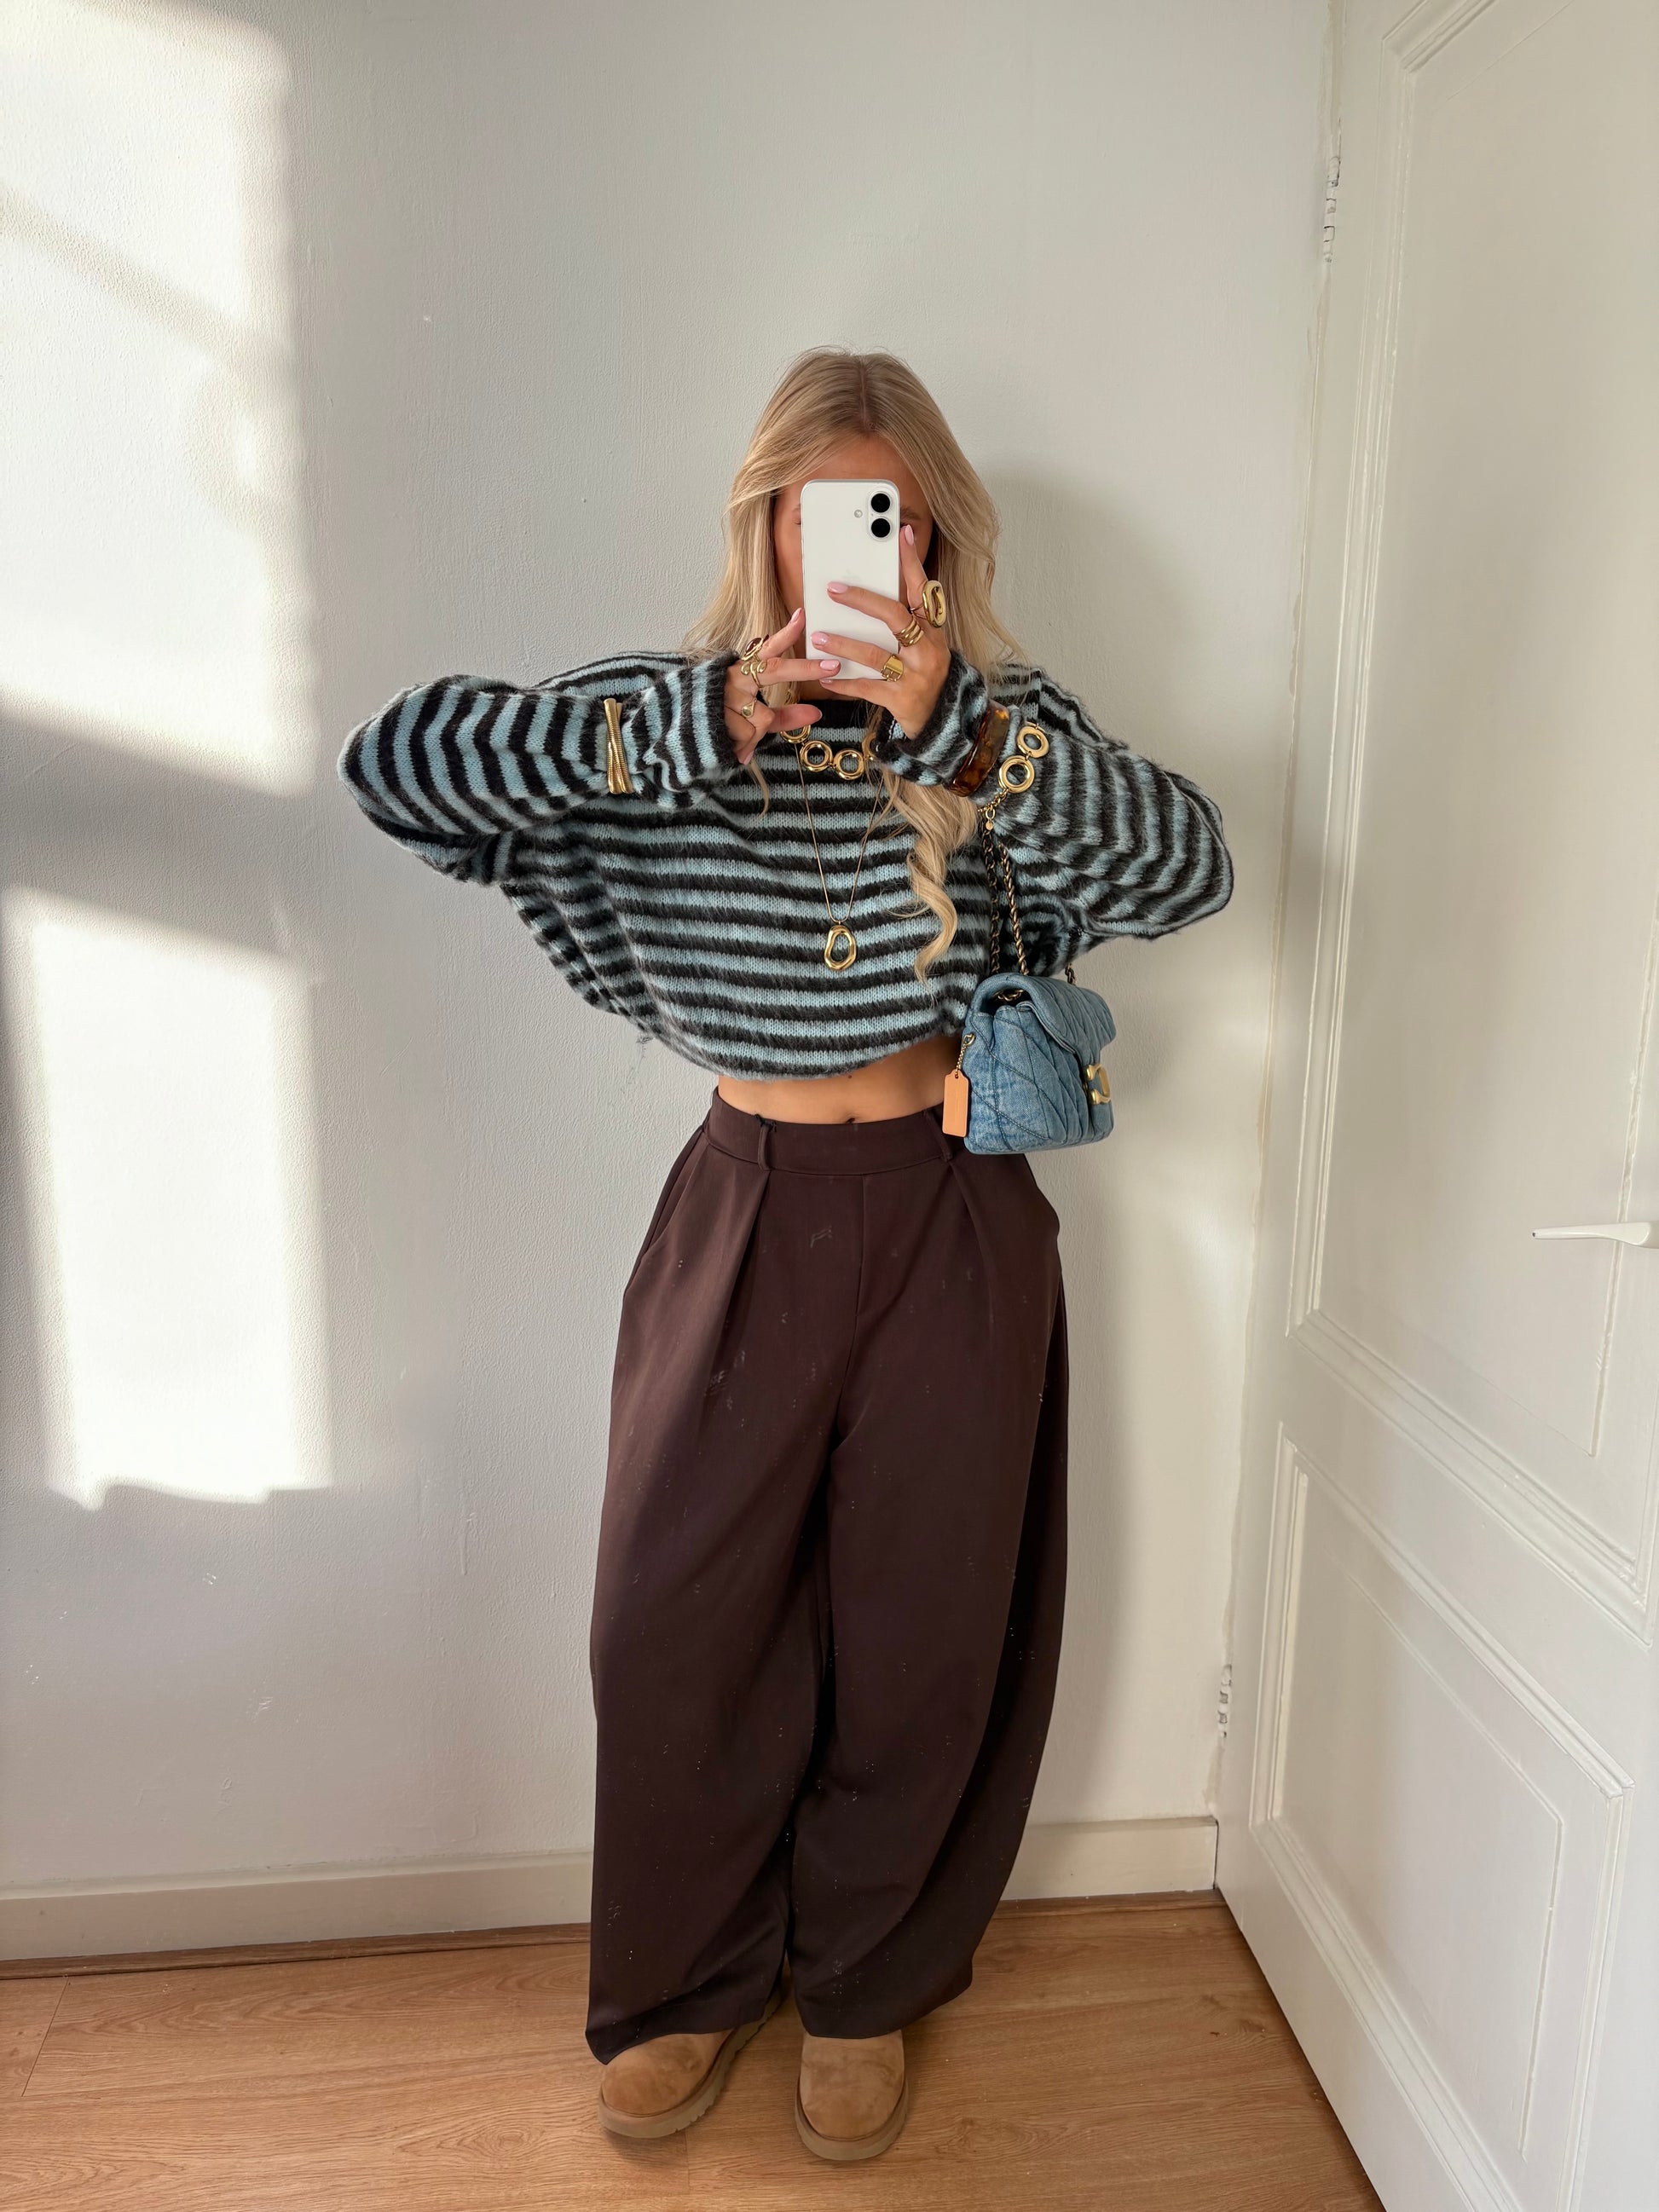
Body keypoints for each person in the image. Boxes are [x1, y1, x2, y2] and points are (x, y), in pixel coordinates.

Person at [337, 345, 1234, 2163]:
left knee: (923, 1622)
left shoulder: (1001, 720)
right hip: (740, 1203)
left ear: (933, 540)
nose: (852, 559)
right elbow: (397, 768)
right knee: (672, 1617)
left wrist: (963, 731)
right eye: (812, 519)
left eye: (884, 523)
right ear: (758, 528)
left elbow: (1189, 870)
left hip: (955, 1209)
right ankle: (686, 1982)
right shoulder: (655, 715)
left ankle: (863, 1987)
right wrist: (708, 716)